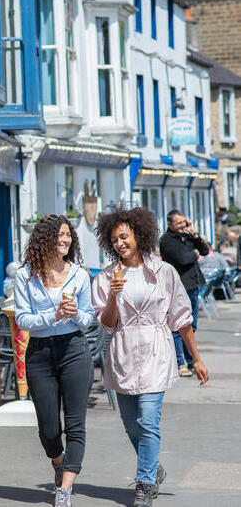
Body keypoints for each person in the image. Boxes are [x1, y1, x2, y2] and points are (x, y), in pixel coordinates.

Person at [93, 206, 209, 507]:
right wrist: (113, 295)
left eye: (124, 237)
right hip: (123, 353)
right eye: (114, 239)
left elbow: (182, 318)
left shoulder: (163, 271)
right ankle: (153, 466)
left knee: (148, 420)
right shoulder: (106, 277)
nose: (120, 243)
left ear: (138, 235)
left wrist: (196, 358)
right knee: (131, 425)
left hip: (156, 351)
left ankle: (144, 484)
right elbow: (106, 324)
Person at [14, 214, 94, 507]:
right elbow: (23, 319)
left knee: (75, 424)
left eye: (68, 235)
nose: (65, 240)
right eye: (59, 235)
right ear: (44, 239)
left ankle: (65, 489)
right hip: (40, 353)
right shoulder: (25, 275)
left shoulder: (80, 275)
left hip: (74, 349)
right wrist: (54, 315)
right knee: (49, 428)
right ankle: (59, 463)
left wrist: (75, 315)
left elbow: (89, 317)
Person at [159, 210, 209, 377]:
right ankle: (180, 363)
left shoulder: (188, 237)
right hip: (179, 287)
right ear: (170, 224)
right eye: (179, 223)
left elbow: (204, 250)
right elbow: (183, 259)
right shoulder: (166, 240)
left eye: (184, 222)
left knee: (190, 326)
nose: (183, 226)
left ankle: (191, 361)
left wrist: (194, 233)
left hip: (193, 284)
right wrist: (195, 254)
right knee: (178, 326)